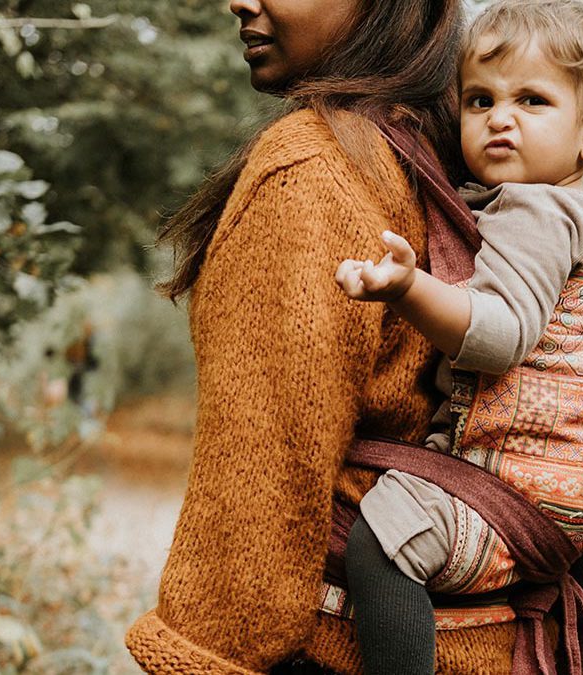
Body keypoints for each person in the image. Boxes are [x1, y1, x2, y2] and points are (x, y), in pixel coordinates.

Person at [122, 1, 535, 673]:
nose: (242, 1)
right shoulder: (468, 153)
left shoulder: (314, 168)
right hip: (504, 645)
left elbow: (257, 508)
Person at [335, 1, 583, 673]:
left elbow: (498, 337)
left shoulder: (529, 212)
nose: (500, 118)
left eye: (532, 100)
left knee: (385, 542)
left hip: (517, 480)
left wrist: (407, 289)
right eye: (480, 100)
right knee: (566, 533)